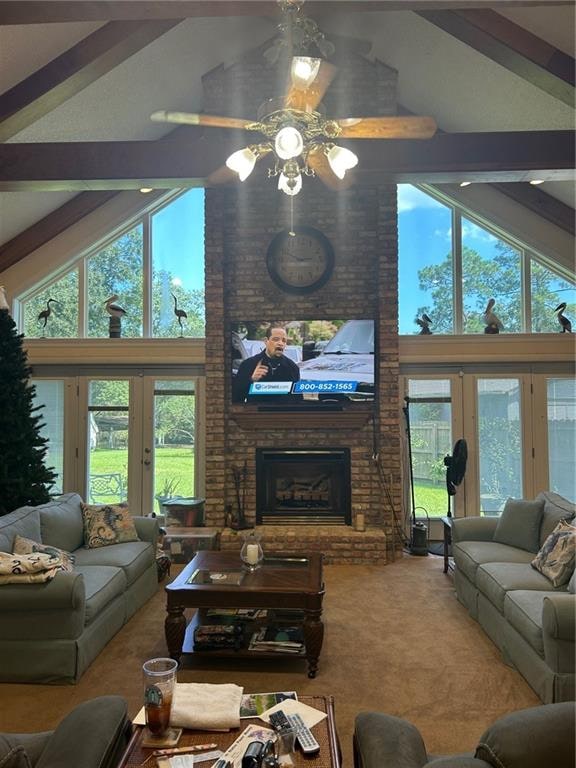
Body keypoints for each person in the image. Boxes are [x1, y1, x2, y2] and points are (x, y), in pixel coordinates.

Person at [232, 325, 301, 403]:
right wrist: (252, 380)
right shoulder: (248, 364)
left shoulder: (292, 368)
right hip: (257, 413)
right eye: (276, 339)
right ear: (266, 341)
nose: (280, 343)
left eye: (284, 341)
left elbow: (297, 400)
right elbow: (236, 398)